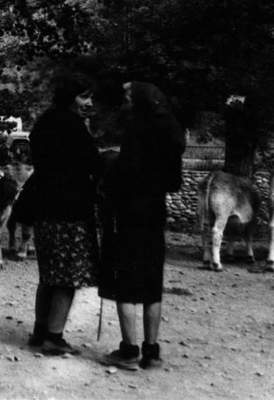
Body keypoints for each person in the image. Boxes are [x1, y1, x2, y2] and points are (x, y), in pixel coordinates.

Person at [100, 81, 185, 371]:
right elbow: (175, 182)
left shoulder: (136, 131)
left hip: (130, 213)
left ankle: (129, 351)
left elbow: (126, 175)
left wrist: (110, 175)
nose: (124, 102)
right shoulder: (170, 135)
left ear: (138, 102)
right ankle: (152, 351)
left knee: (126, 281)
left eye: (127, 97)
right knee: (152, 283)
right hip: (155, 213)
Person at [17, 72, 102, 356]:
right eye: (84, 96)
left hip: (44, 206)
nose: (88, 103)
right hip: (69, 208)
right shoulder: (74, 126)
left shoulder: (44, 122)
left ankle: (40, 331)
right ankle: (54, 336)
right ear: (70, 97)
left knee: (49, 274)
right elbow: (92, 163)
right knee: (66, 277)